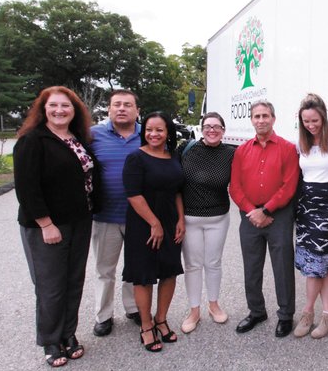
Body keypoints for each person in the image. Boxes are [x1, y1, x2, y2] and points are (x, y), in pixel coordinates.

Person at [14, 86, 100, 368]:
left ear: (74, 111)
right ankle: (51, 341)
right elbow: (27, 188)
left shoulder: (77, 139)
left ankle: (68, 334)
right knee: (50, 285)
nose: (59, 110)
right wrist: (46, 224)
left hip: (80, 220)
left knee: (74, 280)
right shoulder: (33, 141)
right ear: (44, 109)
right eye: (54, 106)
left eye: (65, 106)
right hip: (47, 225)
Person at [229, 100, 300, 338]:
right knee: (251, 267)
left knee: (282, 267)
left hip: (278, 216)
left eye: (265, 116)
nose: (261, 120)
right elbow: (235, 187)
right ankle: (257, 311)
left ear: (274, 118)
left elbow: (289, 186)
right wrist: (252, 211)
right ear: (251, 120)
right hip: (249, 216)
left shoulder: (288, 148)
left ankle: (286, 314)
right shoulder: (241, 150)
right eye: (257, 116)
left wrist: (266, 210)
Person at [122, 112, 186, 352]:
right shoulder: (136, 158)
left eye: (159, 130)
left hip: (170, 221)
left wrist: (181, 219)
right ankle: (146, 325)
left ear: (168, 132)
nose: (154, 134)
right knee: (144, 275)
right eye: (149, 129)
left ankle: (161, 318)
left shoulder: (173, 156)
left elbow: (177, 191)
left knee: (169, 272)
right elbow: (133, 194)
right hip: (144, 224)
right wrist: (154, 223)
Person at [292, 94, 328, 339]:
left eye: (315, 120)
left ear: (324, 116)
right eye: (306, 121)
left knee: (317, 260)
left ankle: (307, 312)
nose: (311, 125)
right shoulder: (301, 144)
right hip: (306, 206)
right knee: (315, 262)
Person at [88, 89, 141, 337]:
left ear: (137, 111)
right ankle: (104, 315)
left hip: (138, 217)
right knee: (104, 270)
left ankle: (133, 308)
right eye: (117, 104)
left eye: (127, 105)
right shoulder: (93, 135)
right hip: (105, 216)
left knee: (134, 267)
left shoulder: (148, 135)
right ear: (108, 109)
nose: (122, 108)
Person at [177, 112, 236, 333]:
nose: (212, 130)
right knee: (192, 265)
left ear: (223, 130)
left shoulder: (230, 153)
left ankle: (214, 305)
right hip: (190, 218)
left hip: (218, 218)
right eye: (208, 126)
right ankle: (194, 311)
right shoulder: (186, 150)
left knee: (213, 263)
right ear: (202, 129)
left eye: (217, 127)